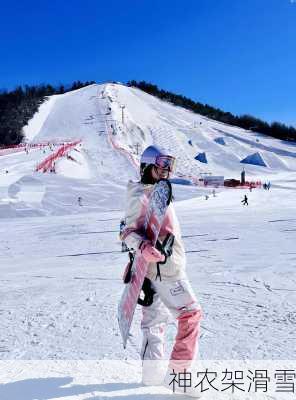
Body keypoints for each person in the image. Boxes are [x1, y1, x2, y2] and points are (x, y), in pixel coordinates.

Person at [121, 145, 202, 395]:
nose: (167, 170)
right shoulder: (141, 195)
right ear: (147, 165)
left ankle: (151, 375)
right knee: (191, 315)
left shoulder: (157, 191)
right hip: (165, 271)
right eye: (162, 164)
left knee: (155, 321)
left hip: (151, 270)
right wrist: (143, 246)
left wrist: (142, 256)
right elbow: (126, 232)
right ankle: (179, 377)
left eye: (170, 165)